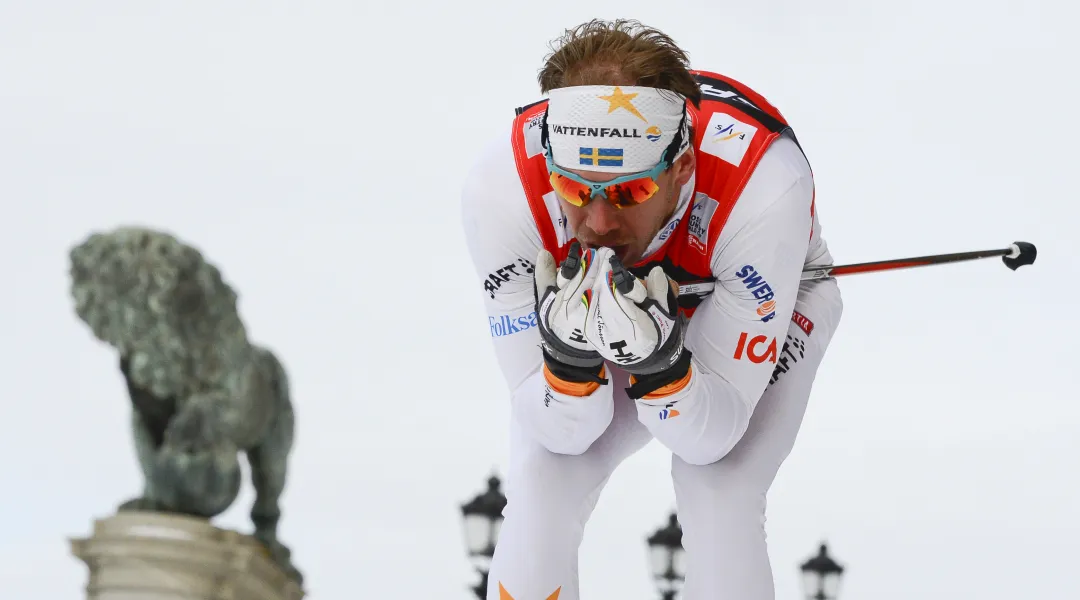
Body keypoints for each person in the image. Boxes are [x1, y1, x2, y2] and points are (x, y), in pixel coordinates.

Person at [460, 18, 843, 600]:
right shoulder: (501, 191)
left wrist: (663, 368)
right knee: (545, 475)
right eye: (573, 188)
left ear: (682, 167)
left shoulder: (763, 192)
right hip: (613, 301)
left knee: (716, 487)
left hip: (745, 286)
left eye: (631, 192)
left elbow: (708, 439)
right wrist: (567, 363)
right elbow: (559, 432)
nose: (598, 222)